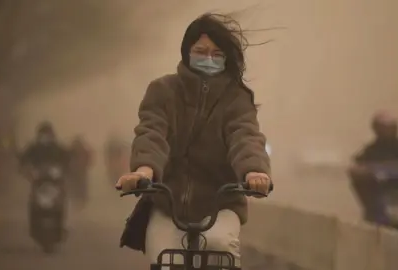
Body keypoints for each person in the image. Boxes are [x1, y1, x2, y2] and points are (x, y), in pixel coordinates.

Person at [116, 13, 272, 268]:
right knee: (165, 258)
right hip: (168, 205)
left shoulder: (236, 98)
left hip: (221, 205)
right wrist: (144, 171)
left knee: (220, 246)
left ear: (226, 58)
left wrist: (254, 171)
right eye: (200, 51)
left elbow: (245, 136)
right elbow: (152, 132)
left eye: (216, 53)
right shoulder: (162, 91)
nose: (208, 58)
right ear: (186, 52)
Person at [19, 121, 70, 239]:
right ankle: (33, 225)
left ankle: (62, 224)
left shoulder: (57, 147)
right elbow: (23, 159)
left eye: (47, 134)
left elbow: (67, 159)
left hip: (55, 181)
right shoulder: (33, 147)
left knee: (62, 200)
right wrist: (26, 170)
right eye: (43, 134)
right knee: (32, 202)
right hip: (38, 181)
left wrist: (65, 170)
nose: (45, 137)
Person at [69, 135, 92, 209]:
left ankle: (80, 201)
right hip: (77, 171)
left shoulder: (78, 150)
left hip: (79, 171)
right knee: (78, 186)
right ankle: (79, 201)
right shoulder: (74, 150)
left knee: (79, 186)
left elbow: (88, 159)